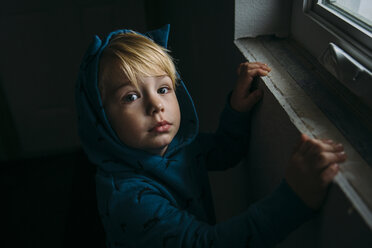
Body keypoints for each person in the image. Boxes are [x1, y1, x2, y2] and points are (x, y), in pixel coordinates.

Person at [75, 24, 347, 247]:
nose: (156, 105)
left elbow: (224, 150)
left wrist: (237, 110)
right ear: (101, 119)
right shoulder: (128, 198)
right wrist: (293, 198)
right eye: (130, 96)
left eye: (163, 89)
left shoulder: (177, 148)